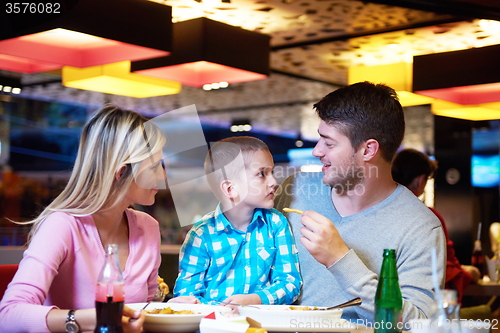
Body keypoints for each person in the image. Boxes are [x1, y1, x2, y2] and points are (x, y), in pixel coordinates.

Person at [274, 81, 446, 325]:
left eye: (329, 143)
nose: (316, 151)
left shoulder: (421, 227)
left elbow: (418, 323)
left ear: (368, 150)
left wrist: (340, 261)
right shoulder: (295, 188)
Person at [0, 105, 167, 333]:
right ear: (121, 174)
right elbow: (8, 315)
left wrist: (171, 309)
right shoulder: (62, 225)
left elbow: (144, 311)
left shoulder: (148, 227)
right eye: (156, 167)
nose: (163, 176)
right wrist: (86, 320)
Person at [174, 136, 302, 306]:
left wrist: (254, 300)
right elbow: (186, 298)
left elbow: (290, 283)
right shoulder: (200, 235)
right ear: (230, 188)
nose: (274, 182)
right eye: (262, 174)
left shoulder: (276, 224)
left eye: (272, 172)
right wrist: (223, 309)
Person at [391, 148, 480, 303]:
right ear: (421, 180)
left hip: (384, 299)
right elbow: (446, 269)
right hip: (421, 304)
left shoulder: (379, 211)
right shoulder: (428, 217)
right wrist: (469, 274)